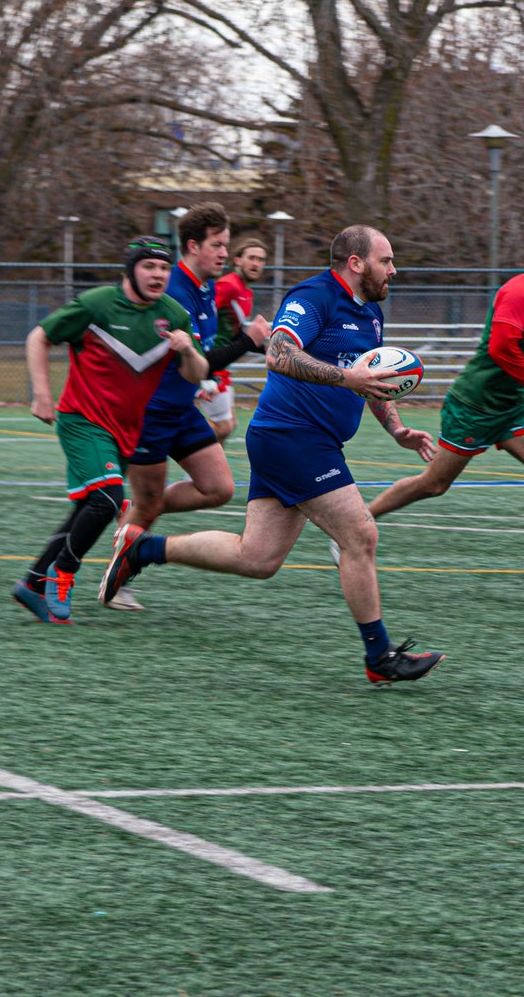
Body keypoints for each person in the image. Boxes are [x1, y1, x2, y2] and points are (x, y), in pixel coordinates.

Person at [100, 225, 444, 683]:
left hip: (301, 441)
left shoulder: (371, 313)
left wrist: (396, 427)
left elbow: (371, 377)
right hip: (293, 438)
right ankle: (379, 658)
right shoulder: (314, 296)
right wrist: (347, 381)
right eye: (386, 260)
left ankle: (144, 550)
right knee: (360, 535)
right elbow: (279, 354)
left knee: (258, 558)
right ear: (356, 263)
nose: (393, 269)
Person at [364, 220, 524, 596]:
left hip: (512, 408)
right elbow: (500, 349)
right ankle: (358, 524)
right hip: (474, 405)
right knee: (434, 484)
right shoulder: (518, 291)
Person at [12, 236, 207, 622]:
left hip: (127, 429)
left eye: (164, 268)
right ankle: (63, 571)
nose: (158, 275)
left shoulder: (173, 315)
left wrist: (187, 349)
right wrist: (41, 394)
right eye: (149, 266)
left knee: (89, 506)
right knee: (108, 499)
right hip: (82, 420)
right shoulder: (96, 304)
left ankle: (32, 582)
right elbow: (39, 336)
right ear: (130, 269)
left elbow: (196, 374)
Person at [107, 206, 269, 611]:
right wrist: (249, 341)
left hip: (180, 407)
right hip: (151, 411)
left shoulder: (204, 288)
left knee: (218, 488)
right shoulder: (175, 289)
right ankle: (116, 580)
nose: (223, 253)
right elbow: (201, 359)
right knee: (149, 504)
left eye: (226, 245)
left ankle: (136, 512)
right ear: (193, 246)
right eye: (217, 245)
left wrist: (211, 376)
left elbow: (200, 356)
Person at [204, 234, 271, 444]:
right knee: (224, 426)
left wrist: (267, 348)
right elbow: (202, 311)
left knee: (227, 425)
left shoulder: (246, 292)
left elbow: (237, 333)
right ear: (237, 260)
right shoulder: (228, 285)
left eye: (261, 260)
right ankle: (180, 442)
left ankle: (208, 475)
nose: (256, 264)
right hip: (209, 363)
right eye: (251, 258)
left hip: (222, 364)